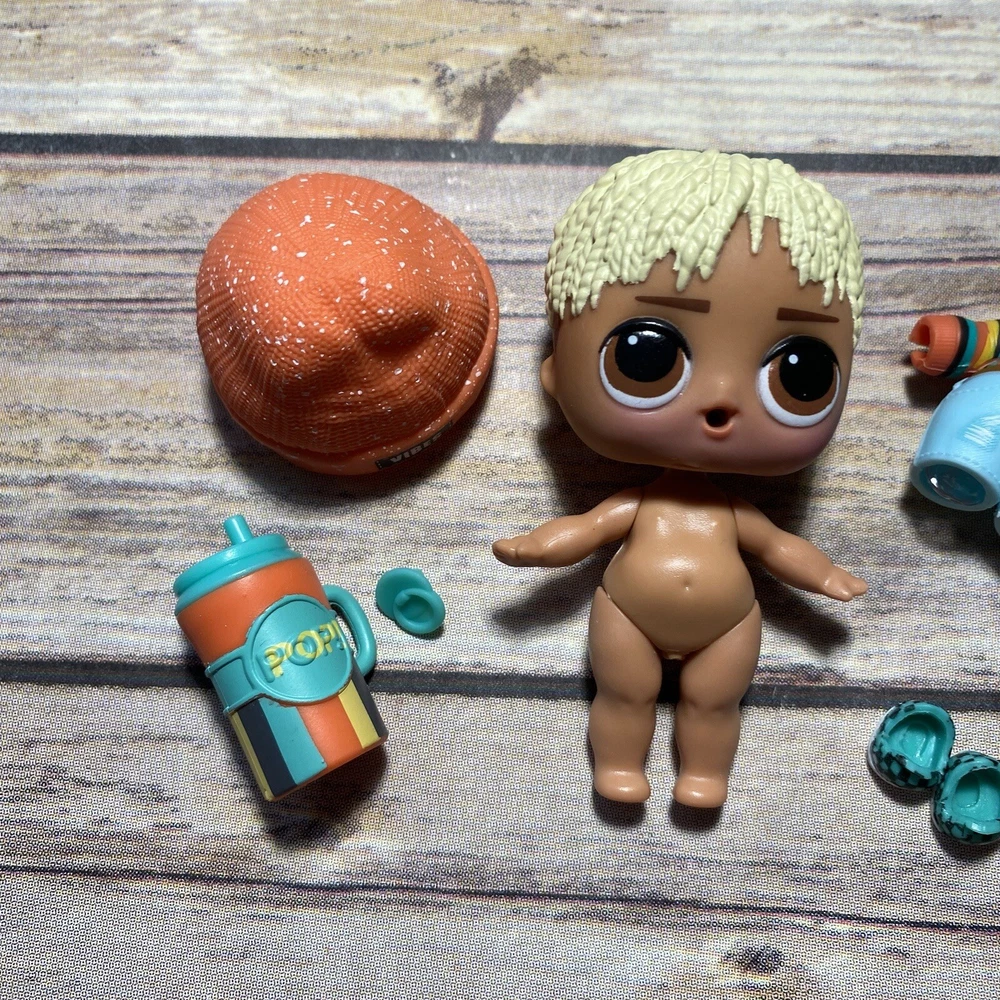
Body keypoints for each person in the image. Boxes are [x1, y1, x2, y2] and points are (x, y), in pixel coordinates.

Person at [494, 149, 867, 808]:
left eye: (801, 372)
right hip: (628, 613)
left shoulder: (729, 515)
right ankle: (618, 767)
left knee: (715, 703)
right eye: (648, 356)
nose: (721, 399)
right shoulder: (639, 505)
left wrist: (826, 576)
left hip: (729, 622)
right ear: (555, 372)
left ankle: (704, 777)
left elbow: (779, 548)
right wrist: (536, 548)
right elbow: (587, 530)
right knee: (623, 692)